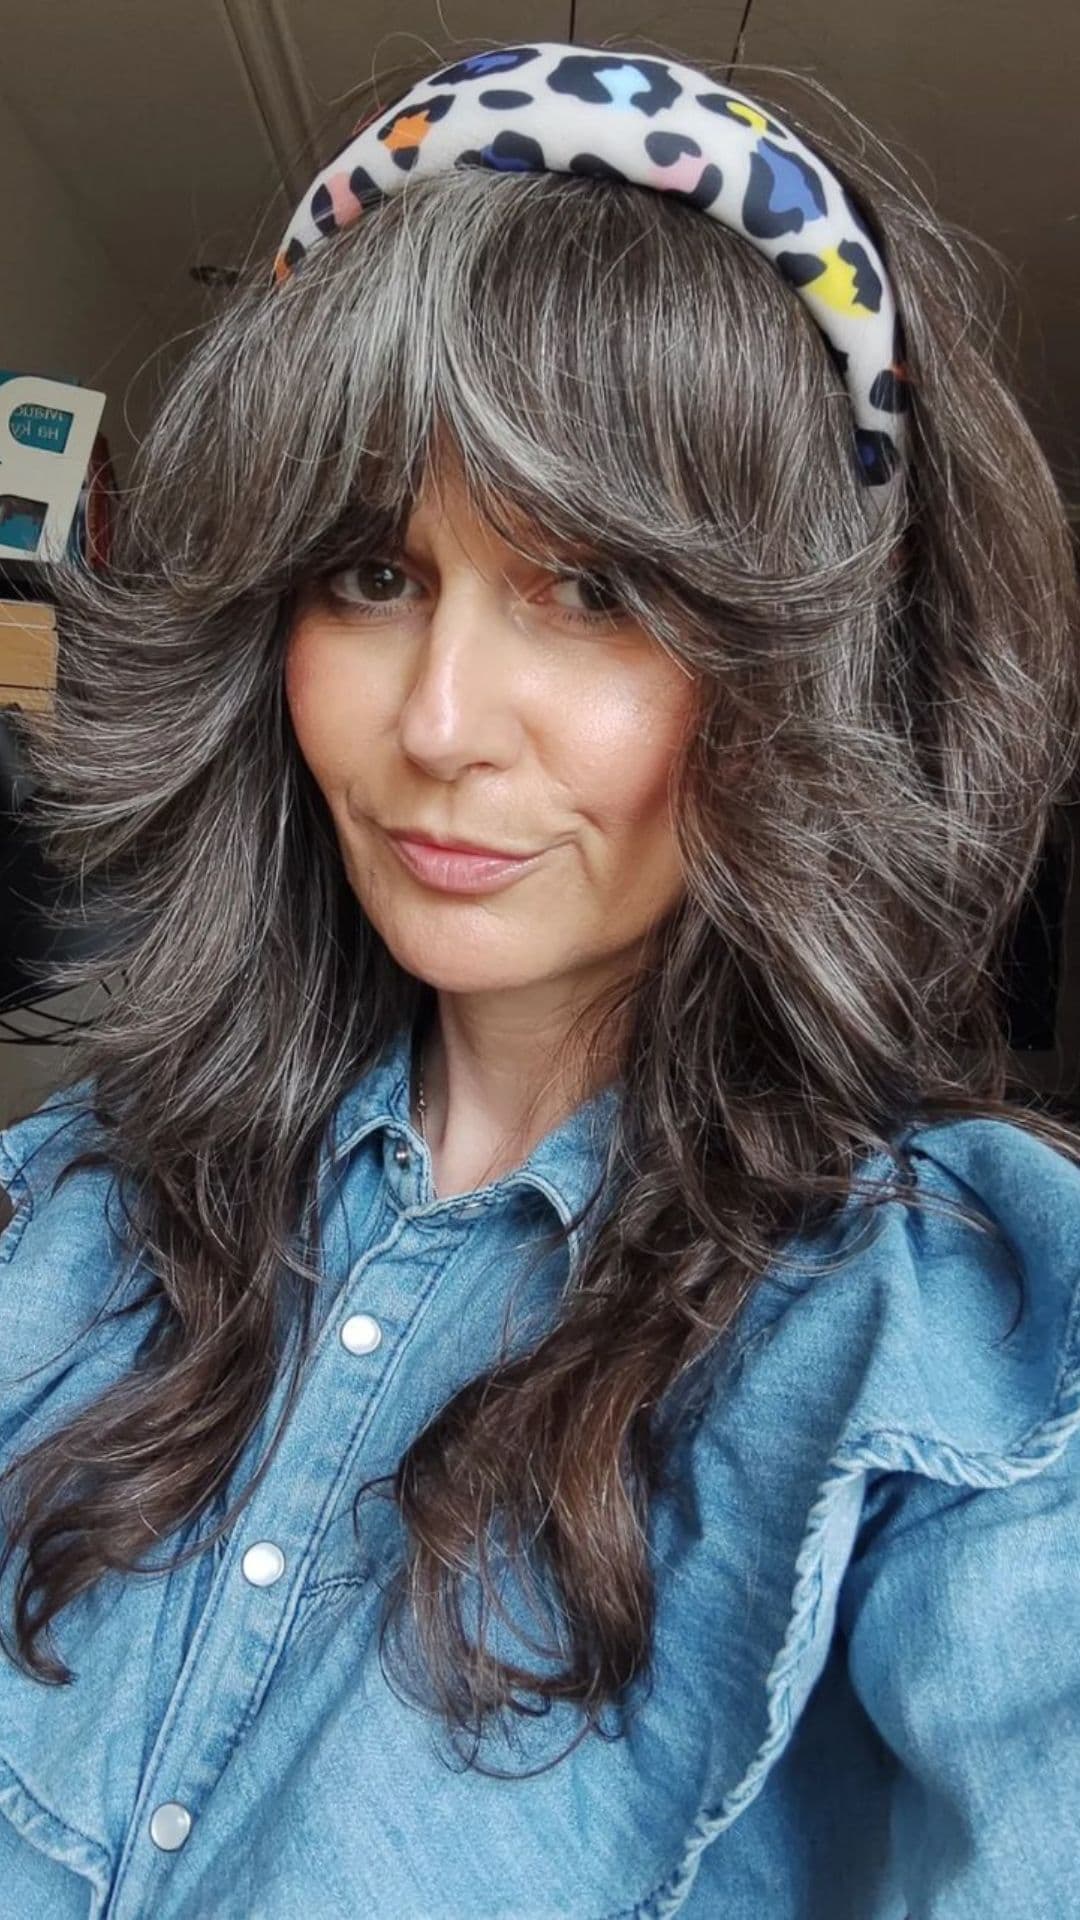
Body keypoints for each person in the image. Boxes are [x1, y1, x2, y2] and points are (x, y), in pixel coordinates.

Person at [0, 36, 1078, 1920]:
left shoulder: (950, 1351)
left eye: (598, 590)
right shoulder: (63, 1213)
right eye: (371, 573)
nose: (435, 726)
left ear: (802, 677)